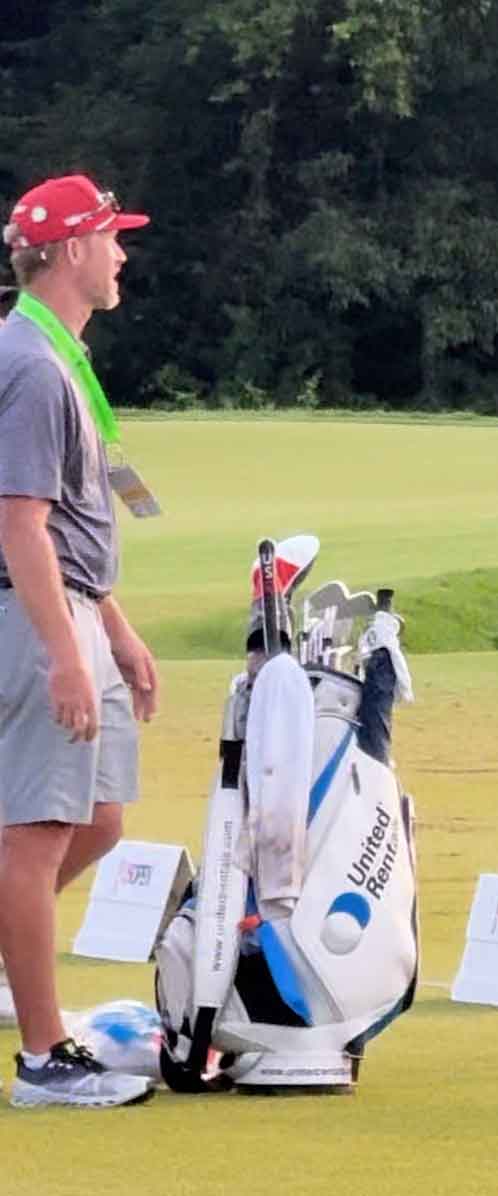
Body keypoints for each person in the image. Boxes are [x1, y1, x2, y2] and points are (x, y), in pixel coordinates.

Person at [0, 174, 158, 1108]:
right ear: (67, 253)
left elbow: (76, 533)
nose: (121, 254)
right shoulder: (31, 364)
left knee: (99, 820)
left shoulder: (58, 357)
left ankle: (27, 986)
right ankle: (45, 1058)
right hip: (34, 621)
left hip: (73, 609)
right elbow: (20, 524)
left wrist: (116, 629)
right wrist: (64, 651)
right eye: (110, 237)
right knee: (35, 830)